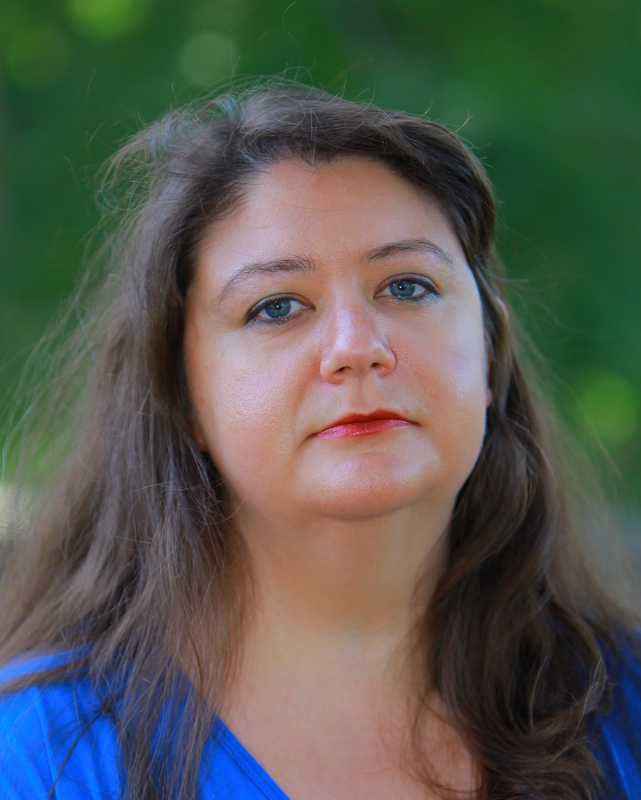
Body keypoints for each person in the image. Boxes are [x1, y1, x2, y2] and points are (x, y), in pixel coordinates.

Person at [0, 84, 639, 800]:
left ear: (491, 353)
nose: (357, 346)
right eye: (276, 307)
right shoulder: (42, 761)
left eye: (407, 286)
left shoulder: (623, 709)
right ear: (182, 397)